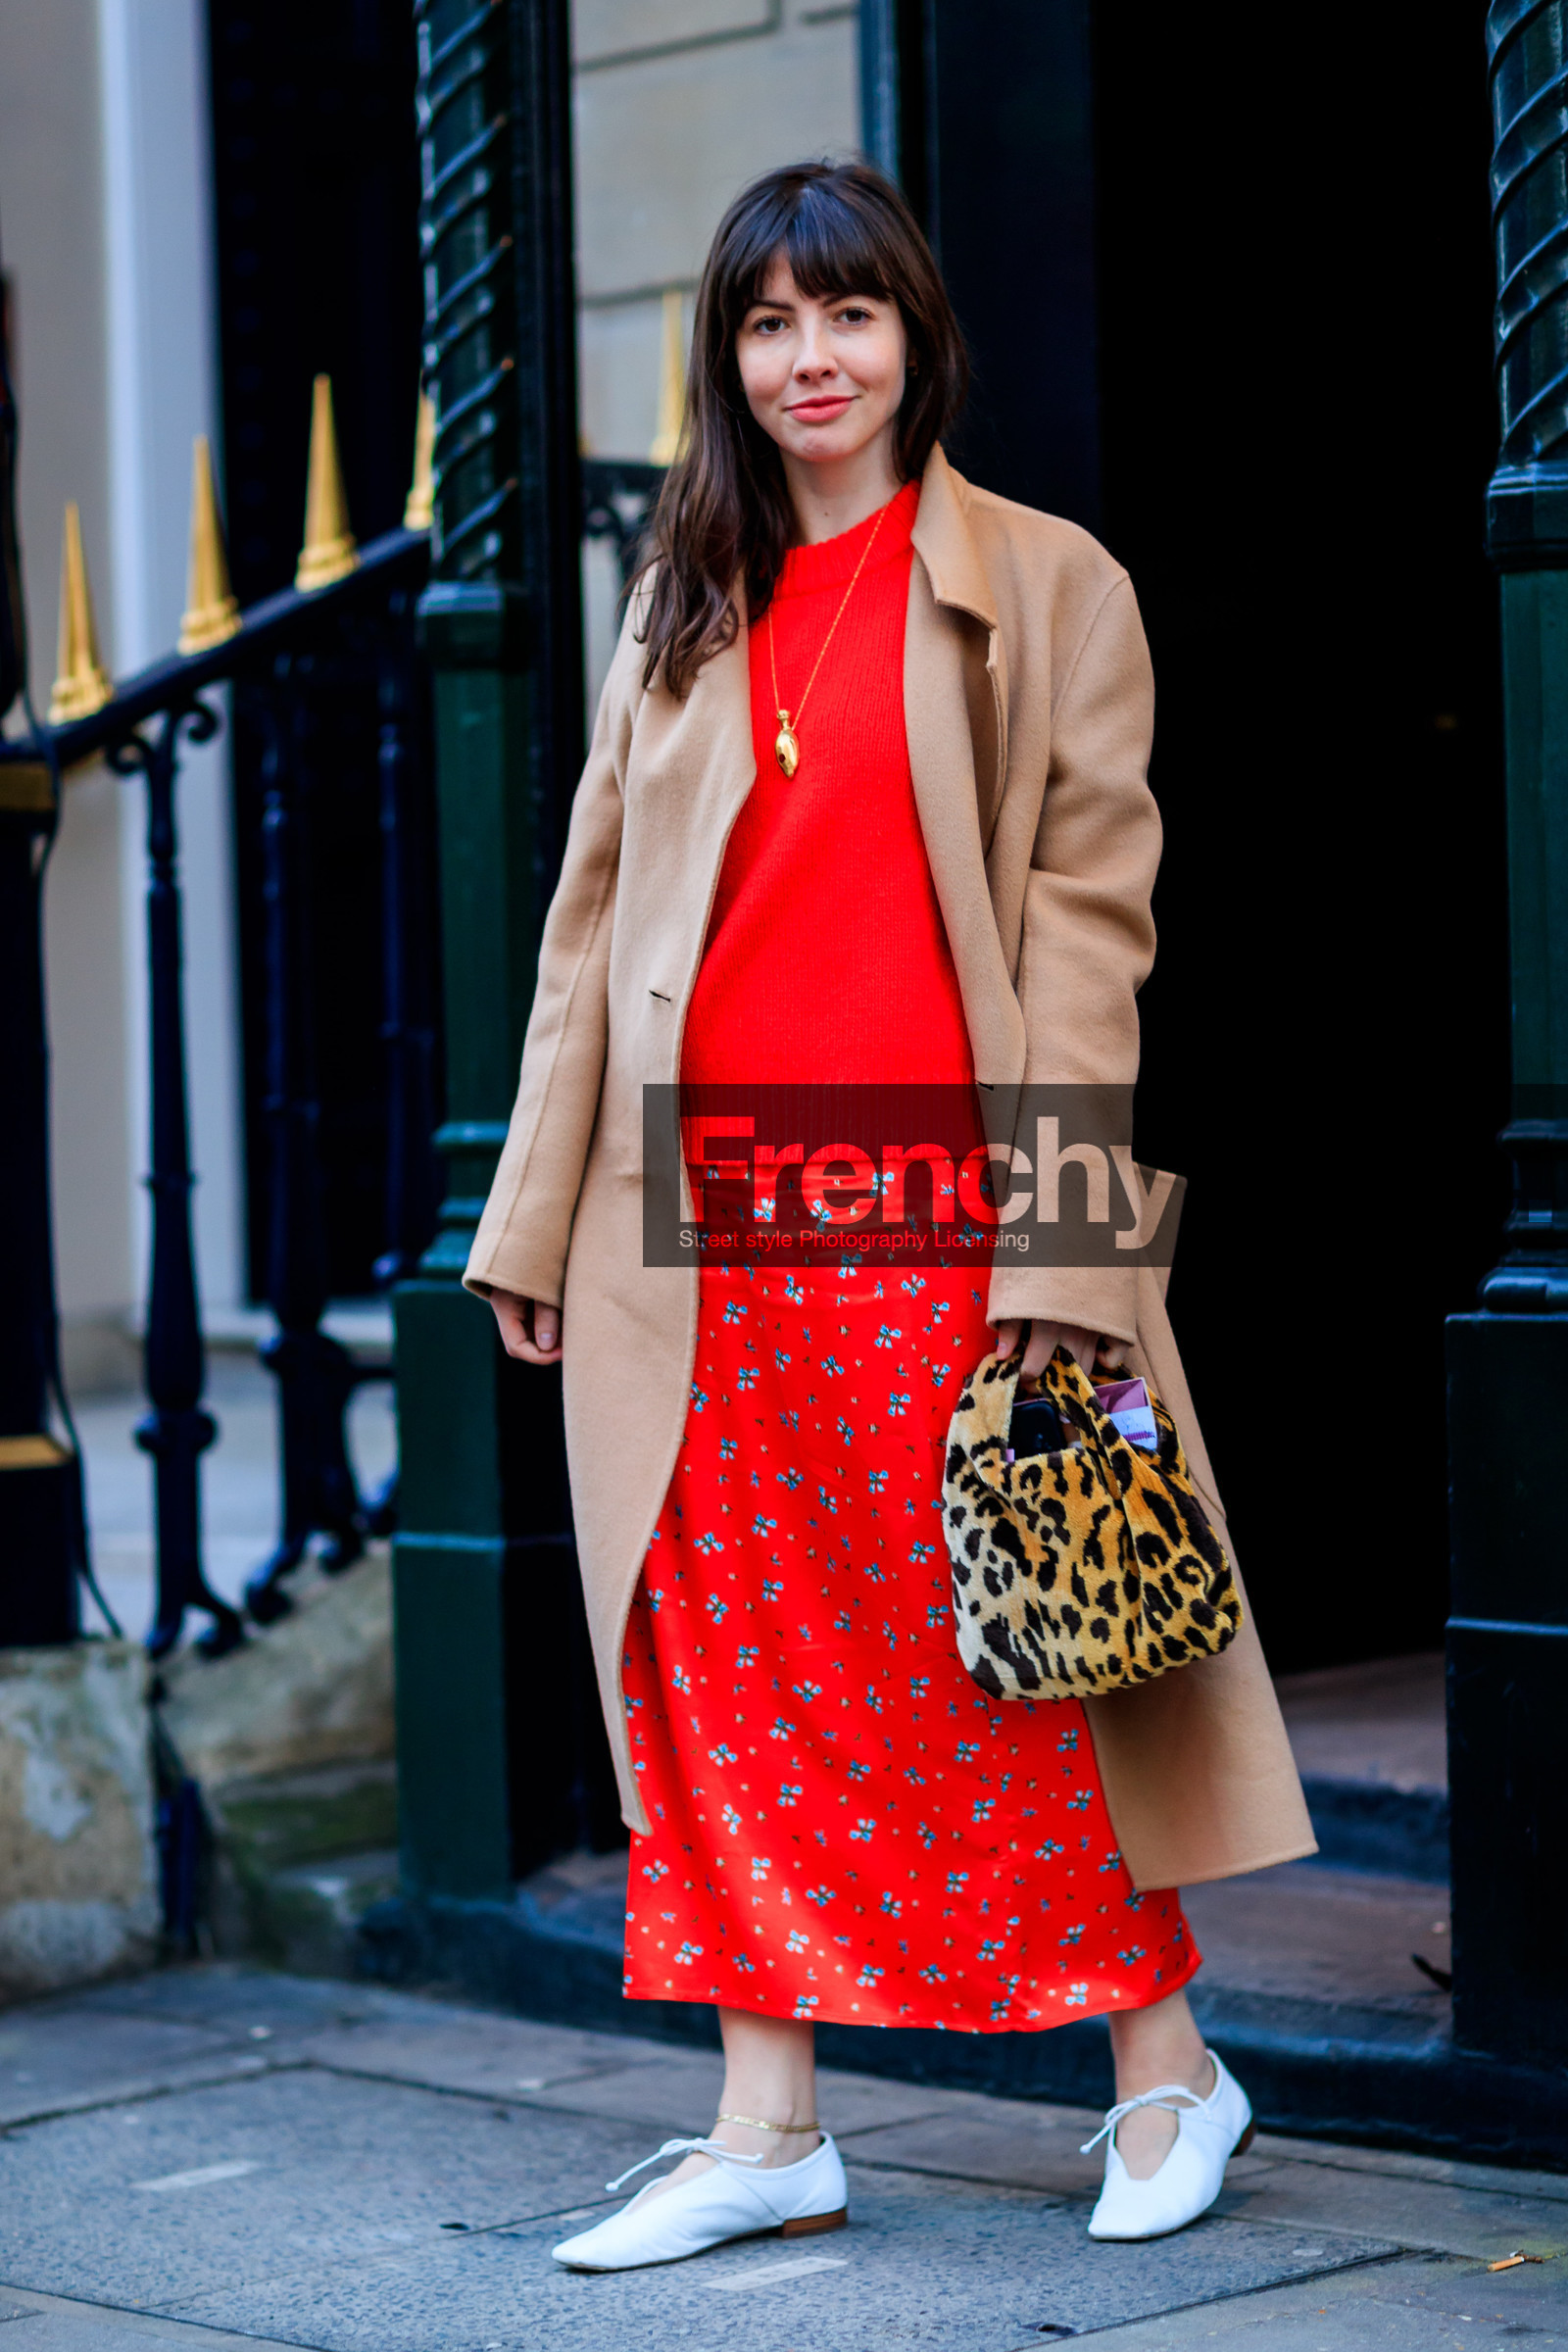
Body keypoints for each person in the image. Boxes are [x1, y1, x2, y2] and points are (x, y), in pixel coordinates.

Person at [467, 159, 1313, 2271]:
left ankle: (1163, 2069)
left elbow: (1085, 936)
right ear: (726, 360)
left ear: (915, 334)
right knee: (726, 1661)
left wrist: (1064, 1253)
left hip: (950, 1210)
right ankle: (768, 2126)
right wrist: (531, 1217)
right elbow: (589, 932)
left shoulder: (1046, 584)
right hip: (701, 1215)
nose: (807, 357)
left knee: (1008, 1652)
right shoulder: (677, 600)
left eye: (844, 314)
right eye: (765, 323)